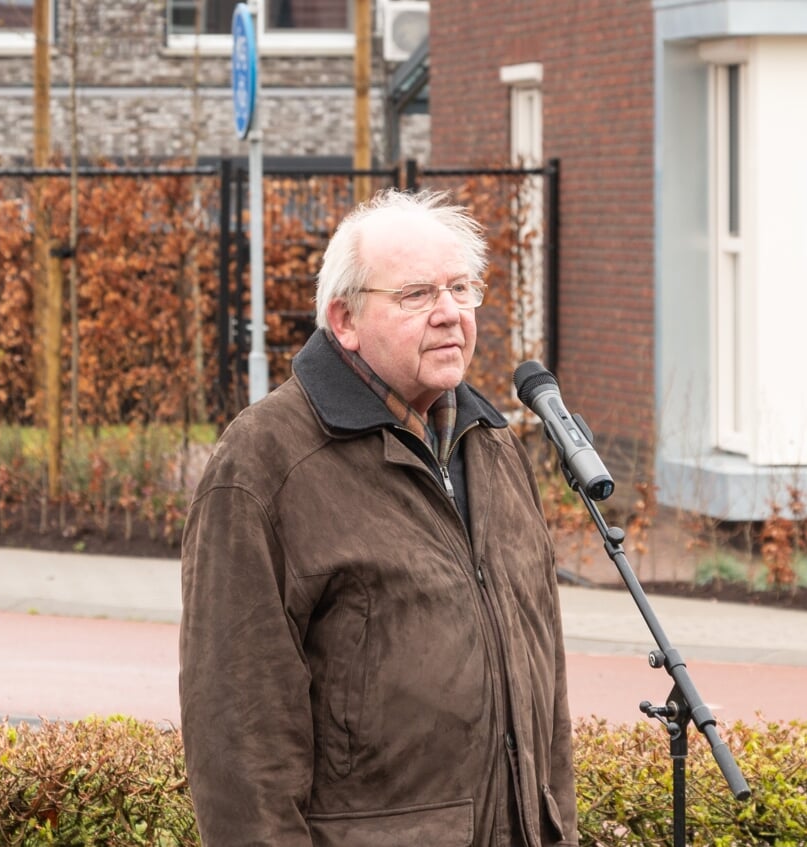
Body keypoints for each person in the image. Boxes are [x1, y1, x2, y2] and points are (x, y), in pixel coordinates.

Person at [179, 189, 578, 847]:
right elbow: (237, 731)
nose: (450, 314)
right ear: (345, 320)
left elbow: (547, 686)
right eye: (417, 295)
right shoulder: (264, 462)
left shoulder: (494, 447)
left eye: (460, 288)